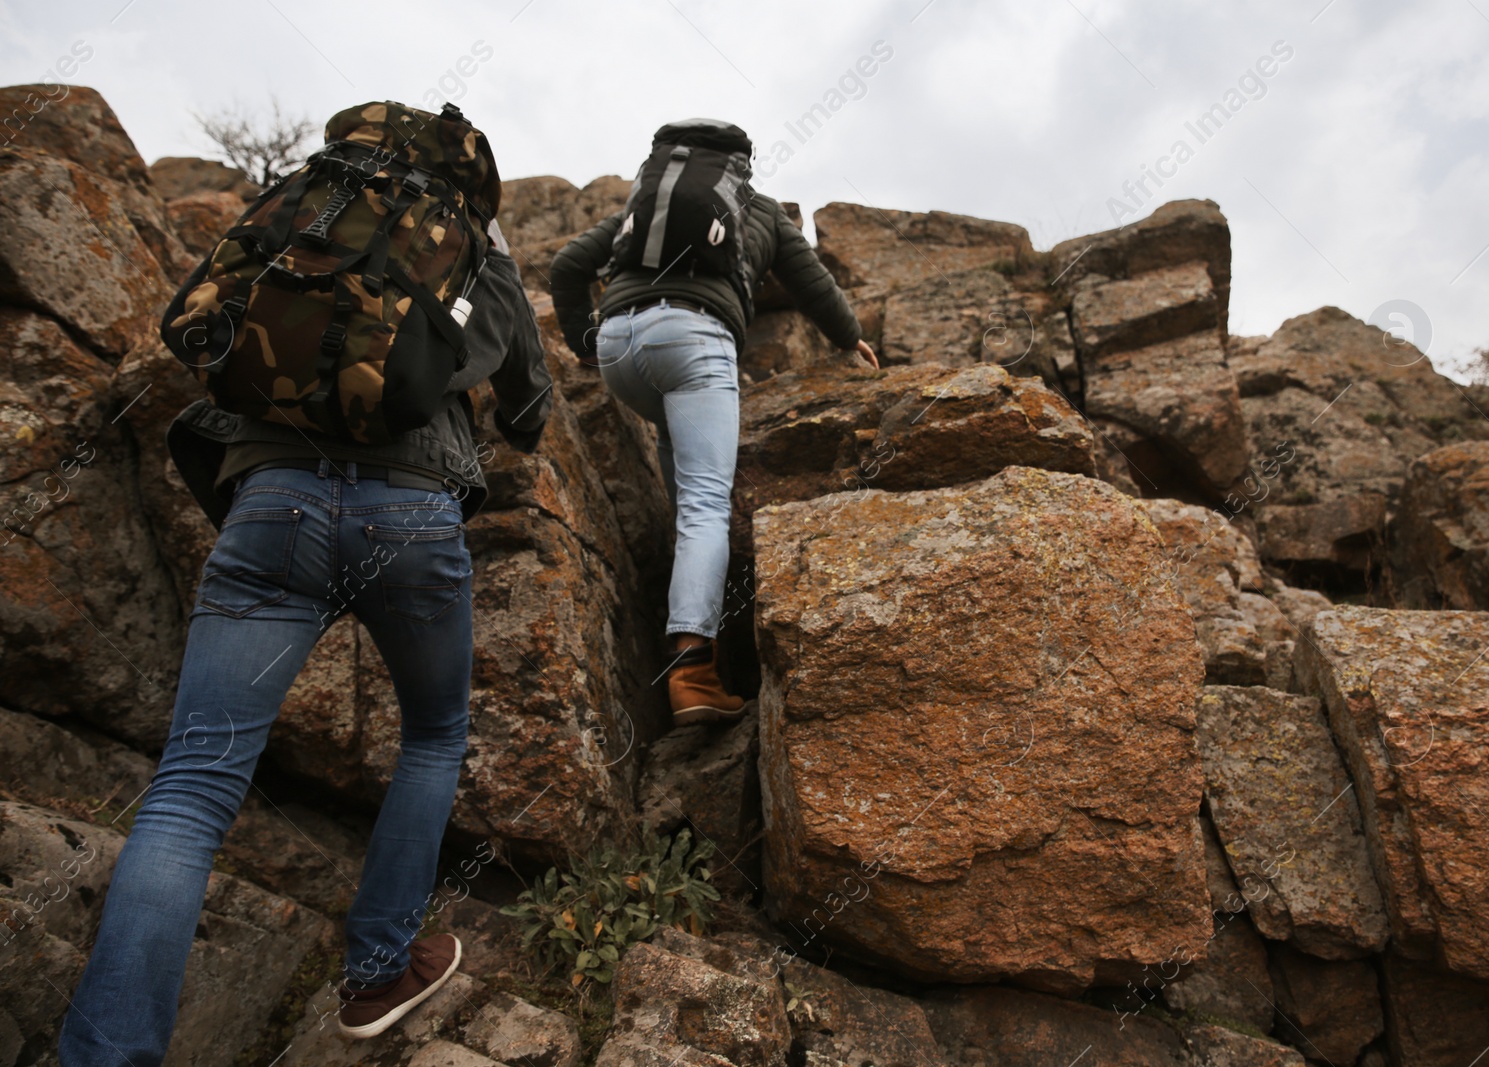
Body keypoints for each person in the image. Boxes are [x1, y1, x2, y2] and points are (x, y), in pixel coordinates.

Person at [56, 219, 552, 1064]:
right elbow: (530, 410)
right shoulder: (476, 249)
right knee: (433, 734)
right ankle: (379, 970)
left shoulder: (305, 223)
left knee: (191, 786)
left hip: (271, 501)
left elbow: (198, 328)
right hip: (411, 509)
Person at [551, 118, 875, 729]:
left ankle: (698, 636)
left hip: (620, 345)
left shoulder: (641, 207)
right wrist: (851, 337)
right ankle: (693, 673)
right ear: (739, 167)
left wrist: (586, 347)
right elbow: (812, 283)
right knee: (706, 505)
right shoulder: (762, 210)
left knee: (684, 485)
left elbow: (568, 266)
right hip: (693, 337)